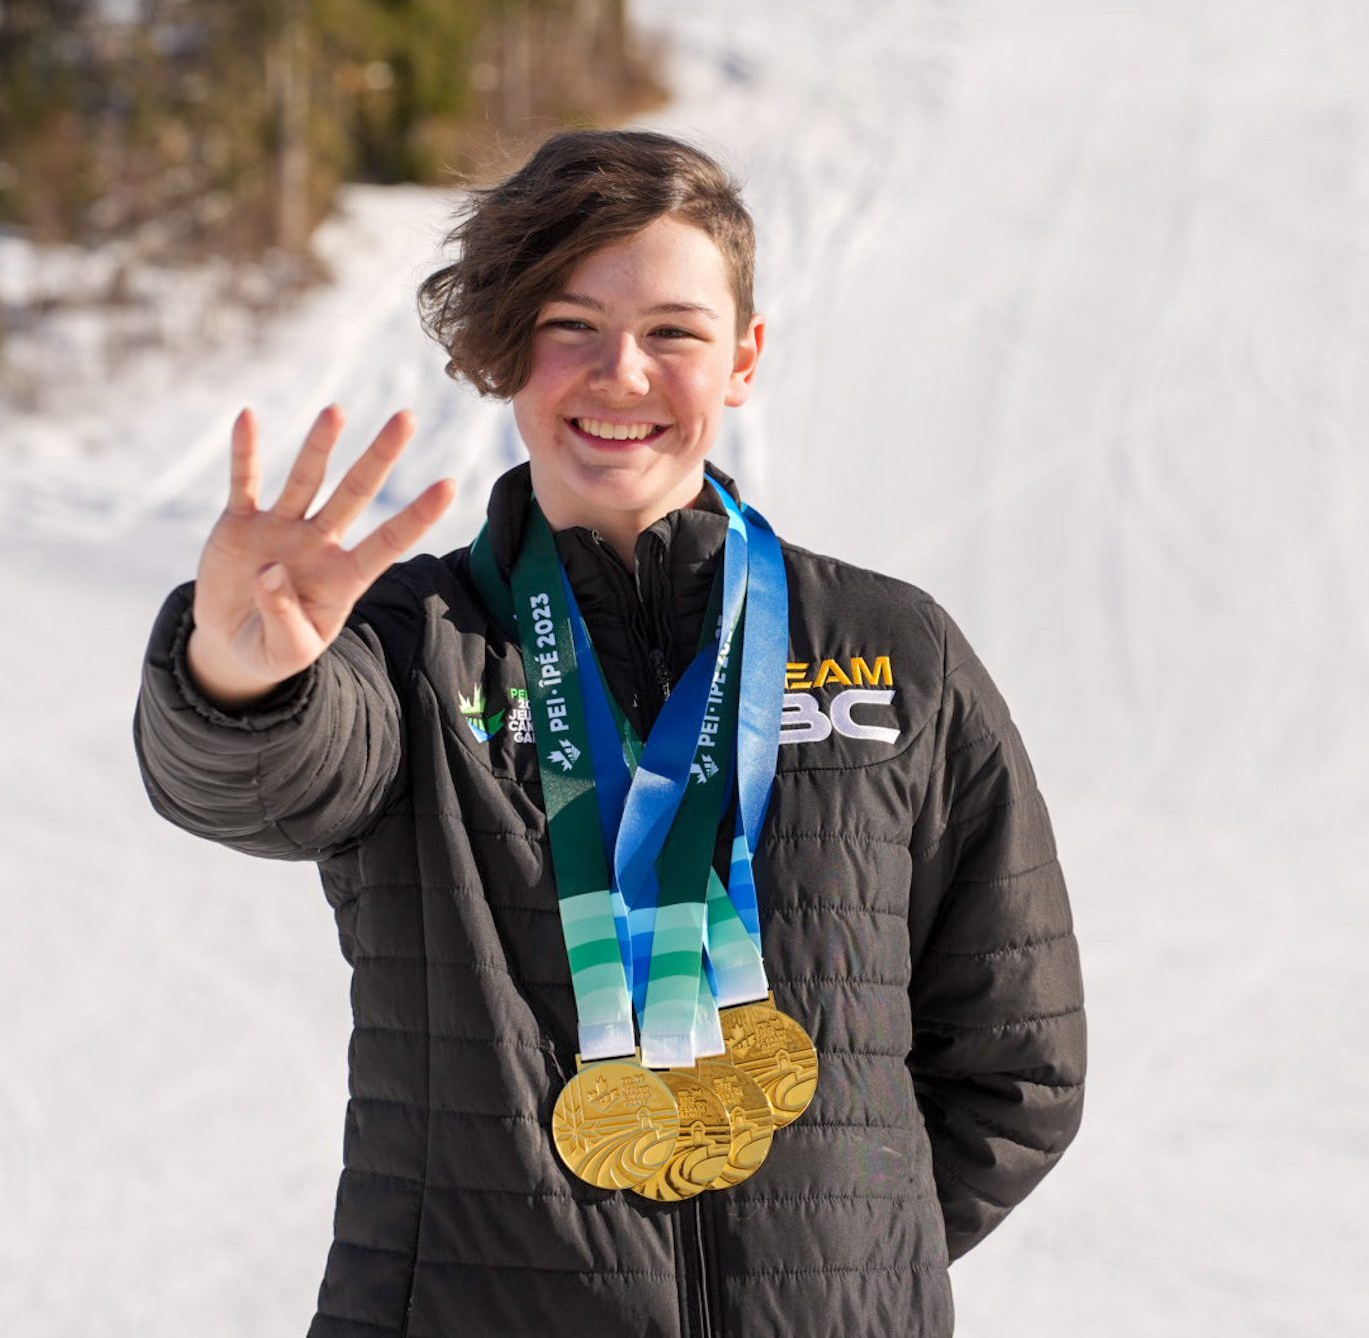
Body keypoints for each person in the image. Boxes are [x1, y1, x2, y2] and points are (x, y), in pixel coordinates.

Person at [134, 129, 1085, 1338]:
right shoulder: (411, 644)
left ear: (742, 358)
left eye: (672, 331)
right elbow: (261, 781)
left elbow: (1018, 1056)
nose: (620, 373)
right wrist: (240, 675)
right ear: (505, 350)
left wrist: (847, 1256)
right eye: (569, 324)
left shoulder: (893, 651)